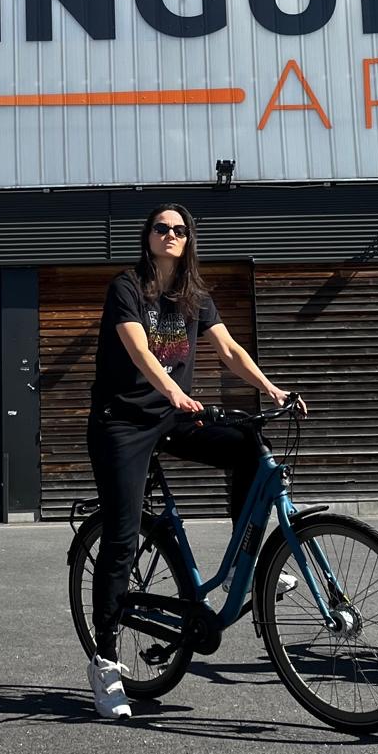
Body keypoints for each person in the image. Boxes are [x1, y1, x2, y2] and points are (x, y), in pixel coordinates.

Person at [85, 203, 305, 720]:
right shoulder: (126, 288)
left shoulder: (195, 296)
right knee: (121, 537)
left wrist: (273, 390)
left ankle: (239, 570)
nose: (170, 234)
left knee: (247, 445)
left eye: (179, 230)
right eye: (161, 228)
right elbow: (139, 350)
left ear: (189, 240)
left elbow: (229, 350)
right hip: (122, 422)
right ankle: (105, 663)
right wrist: (172, 391)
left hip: (173, 415)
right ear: (148, 236)